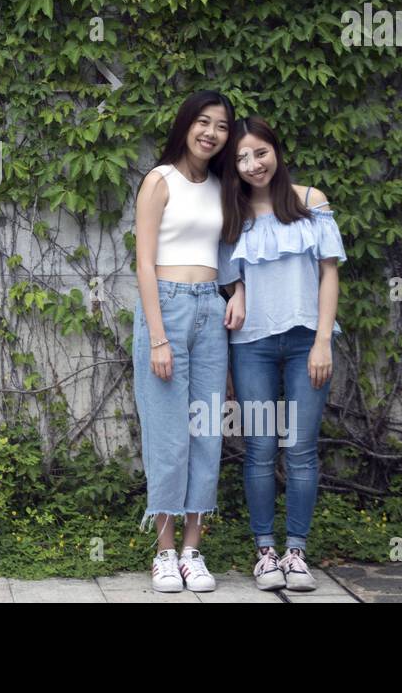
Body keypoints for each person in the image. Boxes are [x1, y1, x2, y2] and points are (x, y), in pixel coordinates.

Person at [217, 115, 346, 591]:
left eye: (260, 152)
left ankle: (297, 552)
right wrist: (239, 291)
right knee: (259, 448)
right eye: (242, 158)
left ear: (276, 150)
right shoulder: (233, 211)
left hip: (305, 342)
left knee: (302, 450)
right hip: (252, 344)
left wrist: (322, 341)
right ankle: (265, 552)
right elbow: (227, 273)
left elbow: (329, 273)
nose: (253, 165)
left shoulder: (311, 202)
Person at [132, 89, 243, 593]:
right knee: (168, 435)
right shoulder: (159, 180)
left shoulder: (222, 186)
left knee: (207, 431)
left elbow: (225, 254)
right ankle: (163, 552)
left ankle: (193, 551)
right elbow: (144, 262)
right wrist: (158, 337)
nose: (211, 133)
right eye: (203, 122)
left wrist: (235, 291)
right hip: (169, 310)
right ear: (186, 125)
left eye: (221, 126)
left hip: (210, 311)